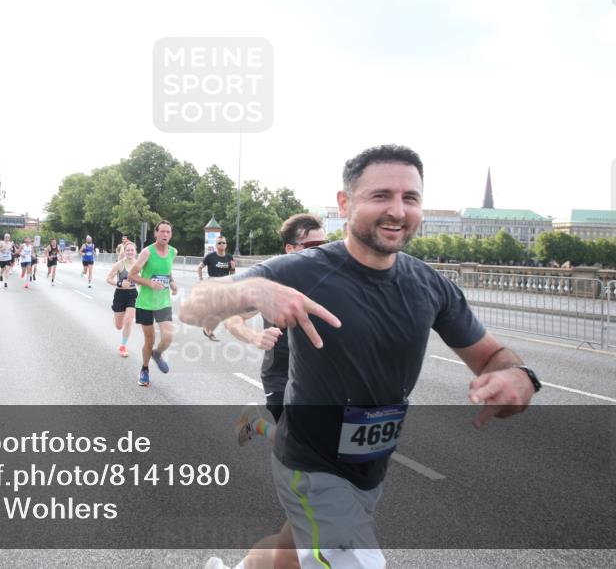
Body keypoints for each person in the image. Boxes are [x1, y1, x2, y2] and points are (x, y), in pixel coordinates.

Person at [183, 145, 540, 569]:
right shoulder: (303, 269)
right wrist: (252, 290)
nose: (398, 210)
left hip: (368, 467)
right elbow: (193, 307)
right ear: (345, 203)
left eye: (410, 198)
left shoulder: (430, 285)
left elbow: (493, 355)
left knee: (290, 552)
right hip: (310, 460)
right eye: (381, 196)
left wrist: (518, 375)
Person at [227, 214, 325, 426]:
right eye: (312, 245)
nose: (320, 252)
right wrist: (254, 336)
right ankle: (256, 424)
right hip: (281, 377)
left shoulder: (332, 280)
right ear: (290, 249)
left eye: (324, 246)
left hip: (321, 378)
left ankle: (253, 423)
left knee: (312, 445)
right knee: (298, 440)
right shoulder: (272, 282)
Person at [129, 221, 178, 387]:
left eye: (168, 232)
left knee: (168, 337)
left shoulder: (173, 252)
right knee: (149, 340)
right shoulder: (146, 252)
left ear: (171, 235)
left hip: (163, 302)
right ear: (156, 233)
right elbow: (132, 275)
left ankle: (157, 354)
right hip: (145, 303)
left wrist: (172, 283)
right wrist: (149, 283)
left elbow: (168, 272)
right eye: (162, 231)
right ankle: (144, 369)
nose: (165, 235)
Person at [197, 234, 237, 341]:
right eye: (219, 243)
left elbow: (232, 274)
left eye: (223, 242)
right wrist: (201, 280)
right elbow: (199, 267)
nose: (221, 244)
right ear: (216, 245)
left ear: (226, 245)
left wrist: (233, 268)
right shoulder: (210, 257)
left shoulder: (229, 257)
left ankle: (207, 328)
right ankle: (209, 331)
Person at [106, 241, 139, 358]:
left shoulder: (139, 264)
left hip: (133, 294)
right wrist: (120, 283)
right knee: (119, 326)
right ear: (124, 252)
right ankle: (116, 316)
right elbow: (108, 279)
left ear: (135, 251)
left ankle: (123, 346)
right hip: (120, 295)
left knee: (129, 320)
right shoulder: (119, 264)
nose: (130, 252)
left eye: (132, 250)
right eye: (128, 250)